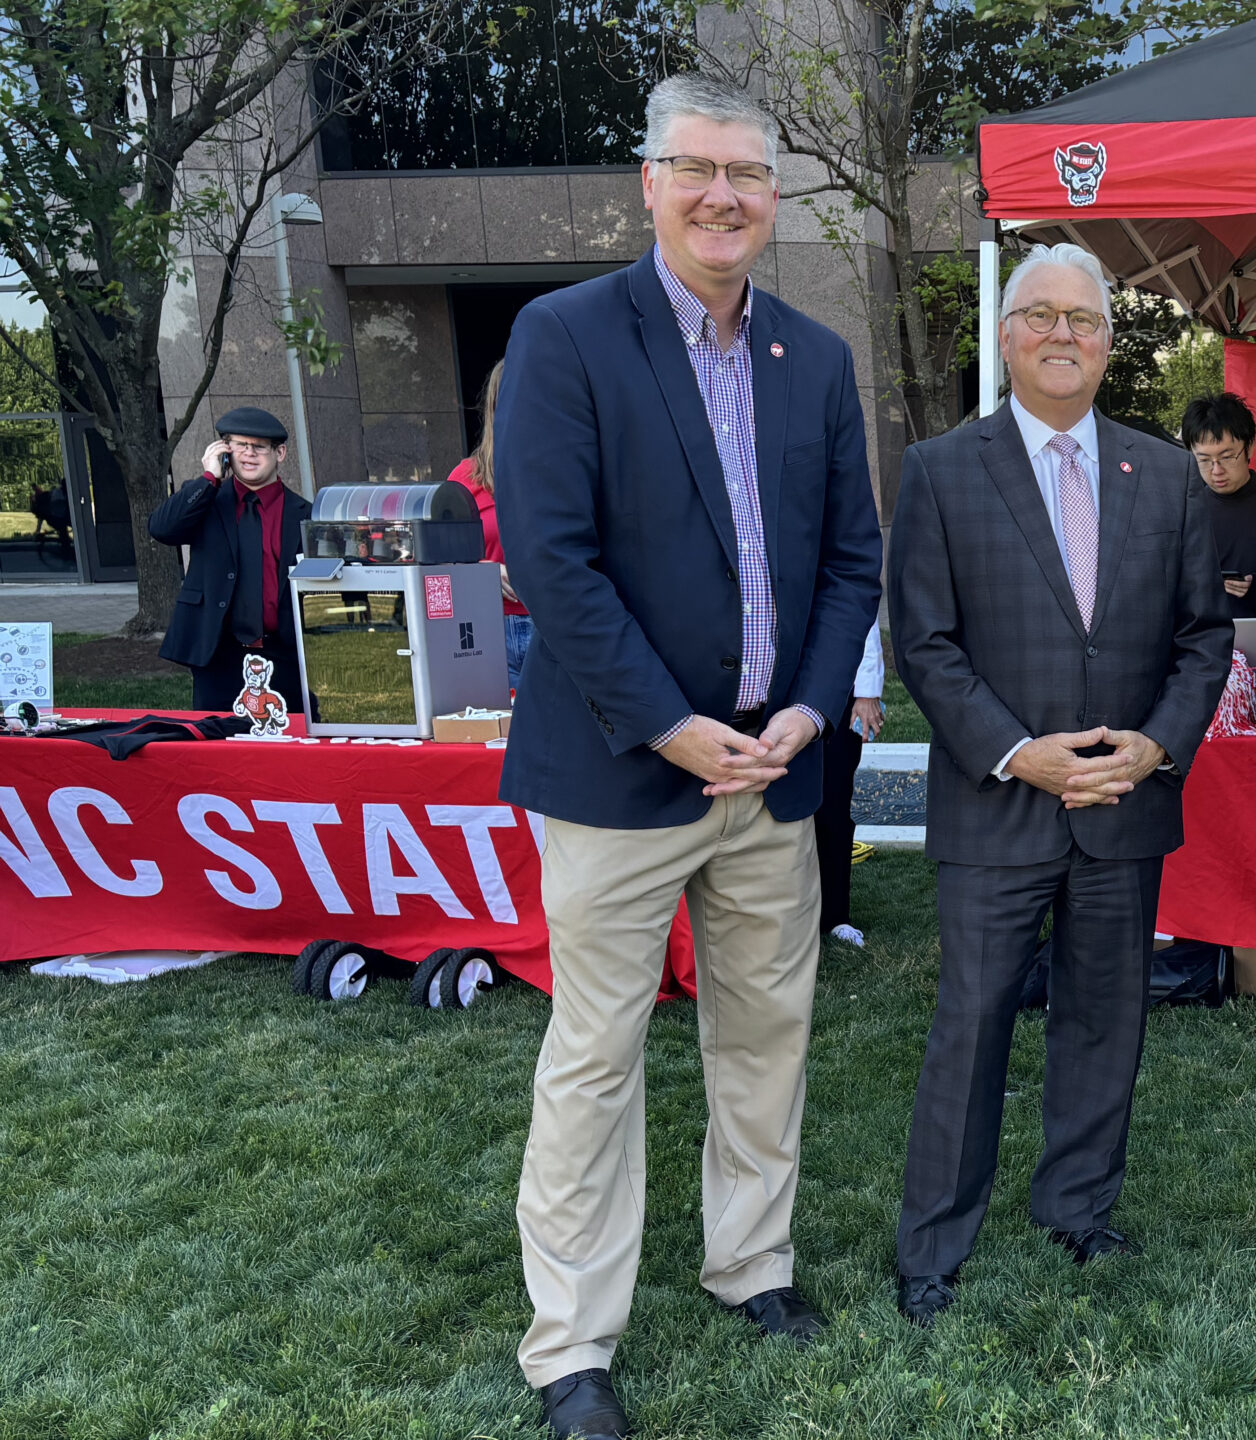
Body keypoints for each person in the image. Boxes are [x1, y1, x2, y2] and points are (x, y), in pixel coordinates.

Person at [492, 74, 881, 1440]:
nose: (725, 196)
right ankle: (572, 1344)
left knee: (767, 1038)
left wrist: (811, 708)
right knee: (595, 1056)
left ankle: (749, 1267)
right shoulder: (562, 336)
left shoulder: (818, 360)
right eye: (698, 169)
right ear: (647, 182)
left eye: (750, 175)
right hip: (621, 771)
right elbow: (551, 558)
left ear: (776, 198)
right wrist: (668, 720)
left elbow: (850, 561)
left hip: (774, 779)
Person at [887, 242, 1229, 1328]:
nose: (1062, 336)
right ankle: (933, 1245)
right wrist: (1015, 751)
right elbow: (926, 645)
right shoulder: (943, 469)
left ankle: (1077, 1205)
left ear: (1109, 340)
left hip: (1125, 806)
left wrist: (1156, 747)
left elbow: (1202, 637)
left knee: (1105, 1019)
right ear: (1006, 333)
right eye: (1039, 315)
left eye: (1083, 320)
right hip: (998, 802)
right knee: (973, 1022)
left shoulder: (1164, 473)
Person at [147, 406, 313, 713]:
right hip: (218, 654)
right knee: (216, 747)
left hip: (285, 653)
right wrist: (210, 476)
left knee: (289, 748)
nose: (249, 454)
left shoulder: (305, 514)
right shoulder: (204, 500)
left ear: (280, 453)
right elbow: (160, 529)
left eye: (259, 447)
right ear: (225, 451)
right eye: (239, 445)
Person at [450, 359, 536, 691]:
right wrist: (483, 569)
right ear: (495, 408)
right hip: (489, 631)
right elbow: (440, 562)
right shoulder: (464, 478)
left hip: (555, 630)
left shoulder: (569, 471)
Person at [1181, 392, 1256, 618]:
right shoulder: (1186, 514)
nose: (1216, 470)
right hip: (1203, 645)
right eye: (1204, 460)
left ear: (1249, 447)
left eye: (1227, 457)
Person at [816, 620, 889, 945]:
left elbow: (862, 611)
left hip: (837, 686)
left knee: (833, 803)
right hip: (776, 684)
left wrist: (868, 691)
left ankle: (835, 917)